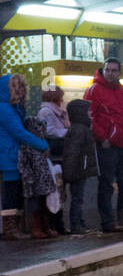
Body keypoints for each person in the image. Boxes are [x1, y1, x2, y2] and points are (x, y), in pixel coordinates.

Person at [84, 57, 123, 232]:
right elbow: (90, 117)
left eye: (114, 70)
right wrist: (103, 138)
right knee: (106, 183)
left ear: (119, 72)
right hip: (107, 144)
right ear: (103, 70)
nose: (111, 73)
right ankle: (108, 222)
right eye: (108, 70)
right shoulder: (94, 90)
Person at [1, 74, 49, 240]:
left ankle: (16, 228)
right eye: (18, 87)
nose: (22, 90)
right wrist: (43, 145)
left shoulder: (13, 108)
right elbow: (19, 132)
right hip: (7, 157)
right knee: (10, 193)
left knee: (15, 192)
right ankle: (10, 230)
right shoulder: (5, 109)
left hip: (13, 156)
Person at [17, 106, 57, 239]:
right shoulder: (29, 145)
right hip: (34, 181)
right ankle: (36, 229)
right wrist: (28, 177)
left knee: (43, 204)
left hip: (43, 181)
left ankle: (45, 227)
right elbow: (23, 163)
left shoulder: (41, 143)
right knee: (35, 205)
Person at [61, 99, 97, 234]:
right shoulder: (80, 130)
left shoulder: (78, 128)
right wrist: (70, 172)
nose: (91, 113)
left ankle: (79, 223)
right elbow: (73, 152)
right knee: (77, 198)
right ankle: (76, 224)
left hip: (78, 169)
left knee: (77, 198)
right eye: (88, 110)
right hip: (78, 170)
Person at [37, 87, 70, 233]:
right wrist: (67, 132)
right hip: (54, 157)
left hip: (58, 156)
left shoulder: (57, 112)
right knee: (56, 191)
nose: (62, 100)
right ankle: (54, 224)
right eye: (60, 97)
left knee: (60, 192)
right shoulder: (46, 112)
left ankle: (58, 224)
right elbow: (49, 131)